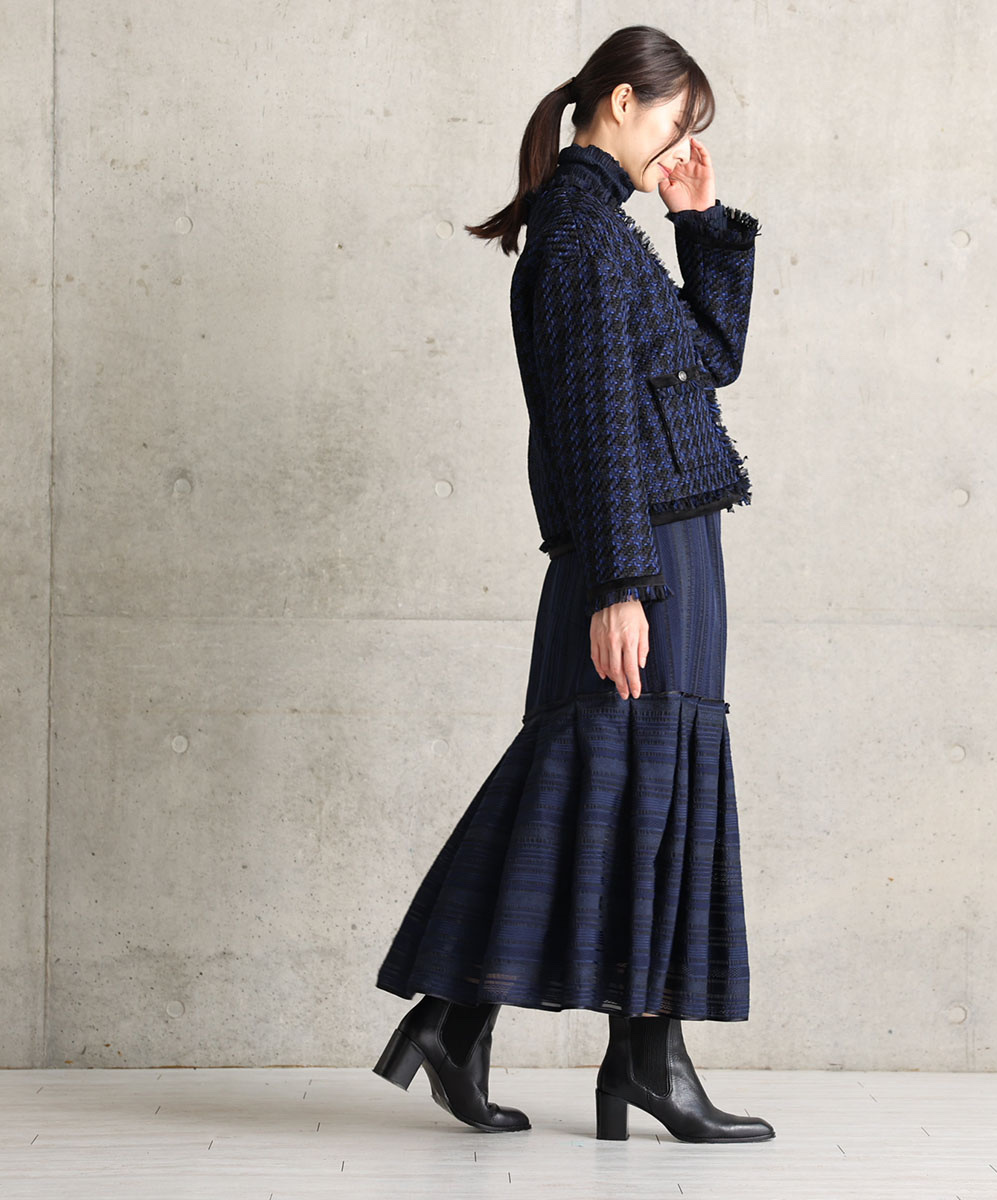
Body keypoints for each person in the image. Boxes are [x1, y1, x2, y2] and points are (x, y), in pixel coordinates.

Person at [371, 25, 773, 1145]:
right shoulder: (584, 237)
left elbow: (713, 357)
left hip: (658, 546)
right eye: (674, 121)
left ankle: (488, 1031)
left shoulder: (607, 230)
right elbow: (593, 426)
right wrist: (619, 585)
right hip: (642, 553)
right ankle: (632, 1060)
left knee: (615, 782)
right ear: (619, 100)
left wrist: (698, 221)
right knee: (614, 781)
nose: (678, 144)